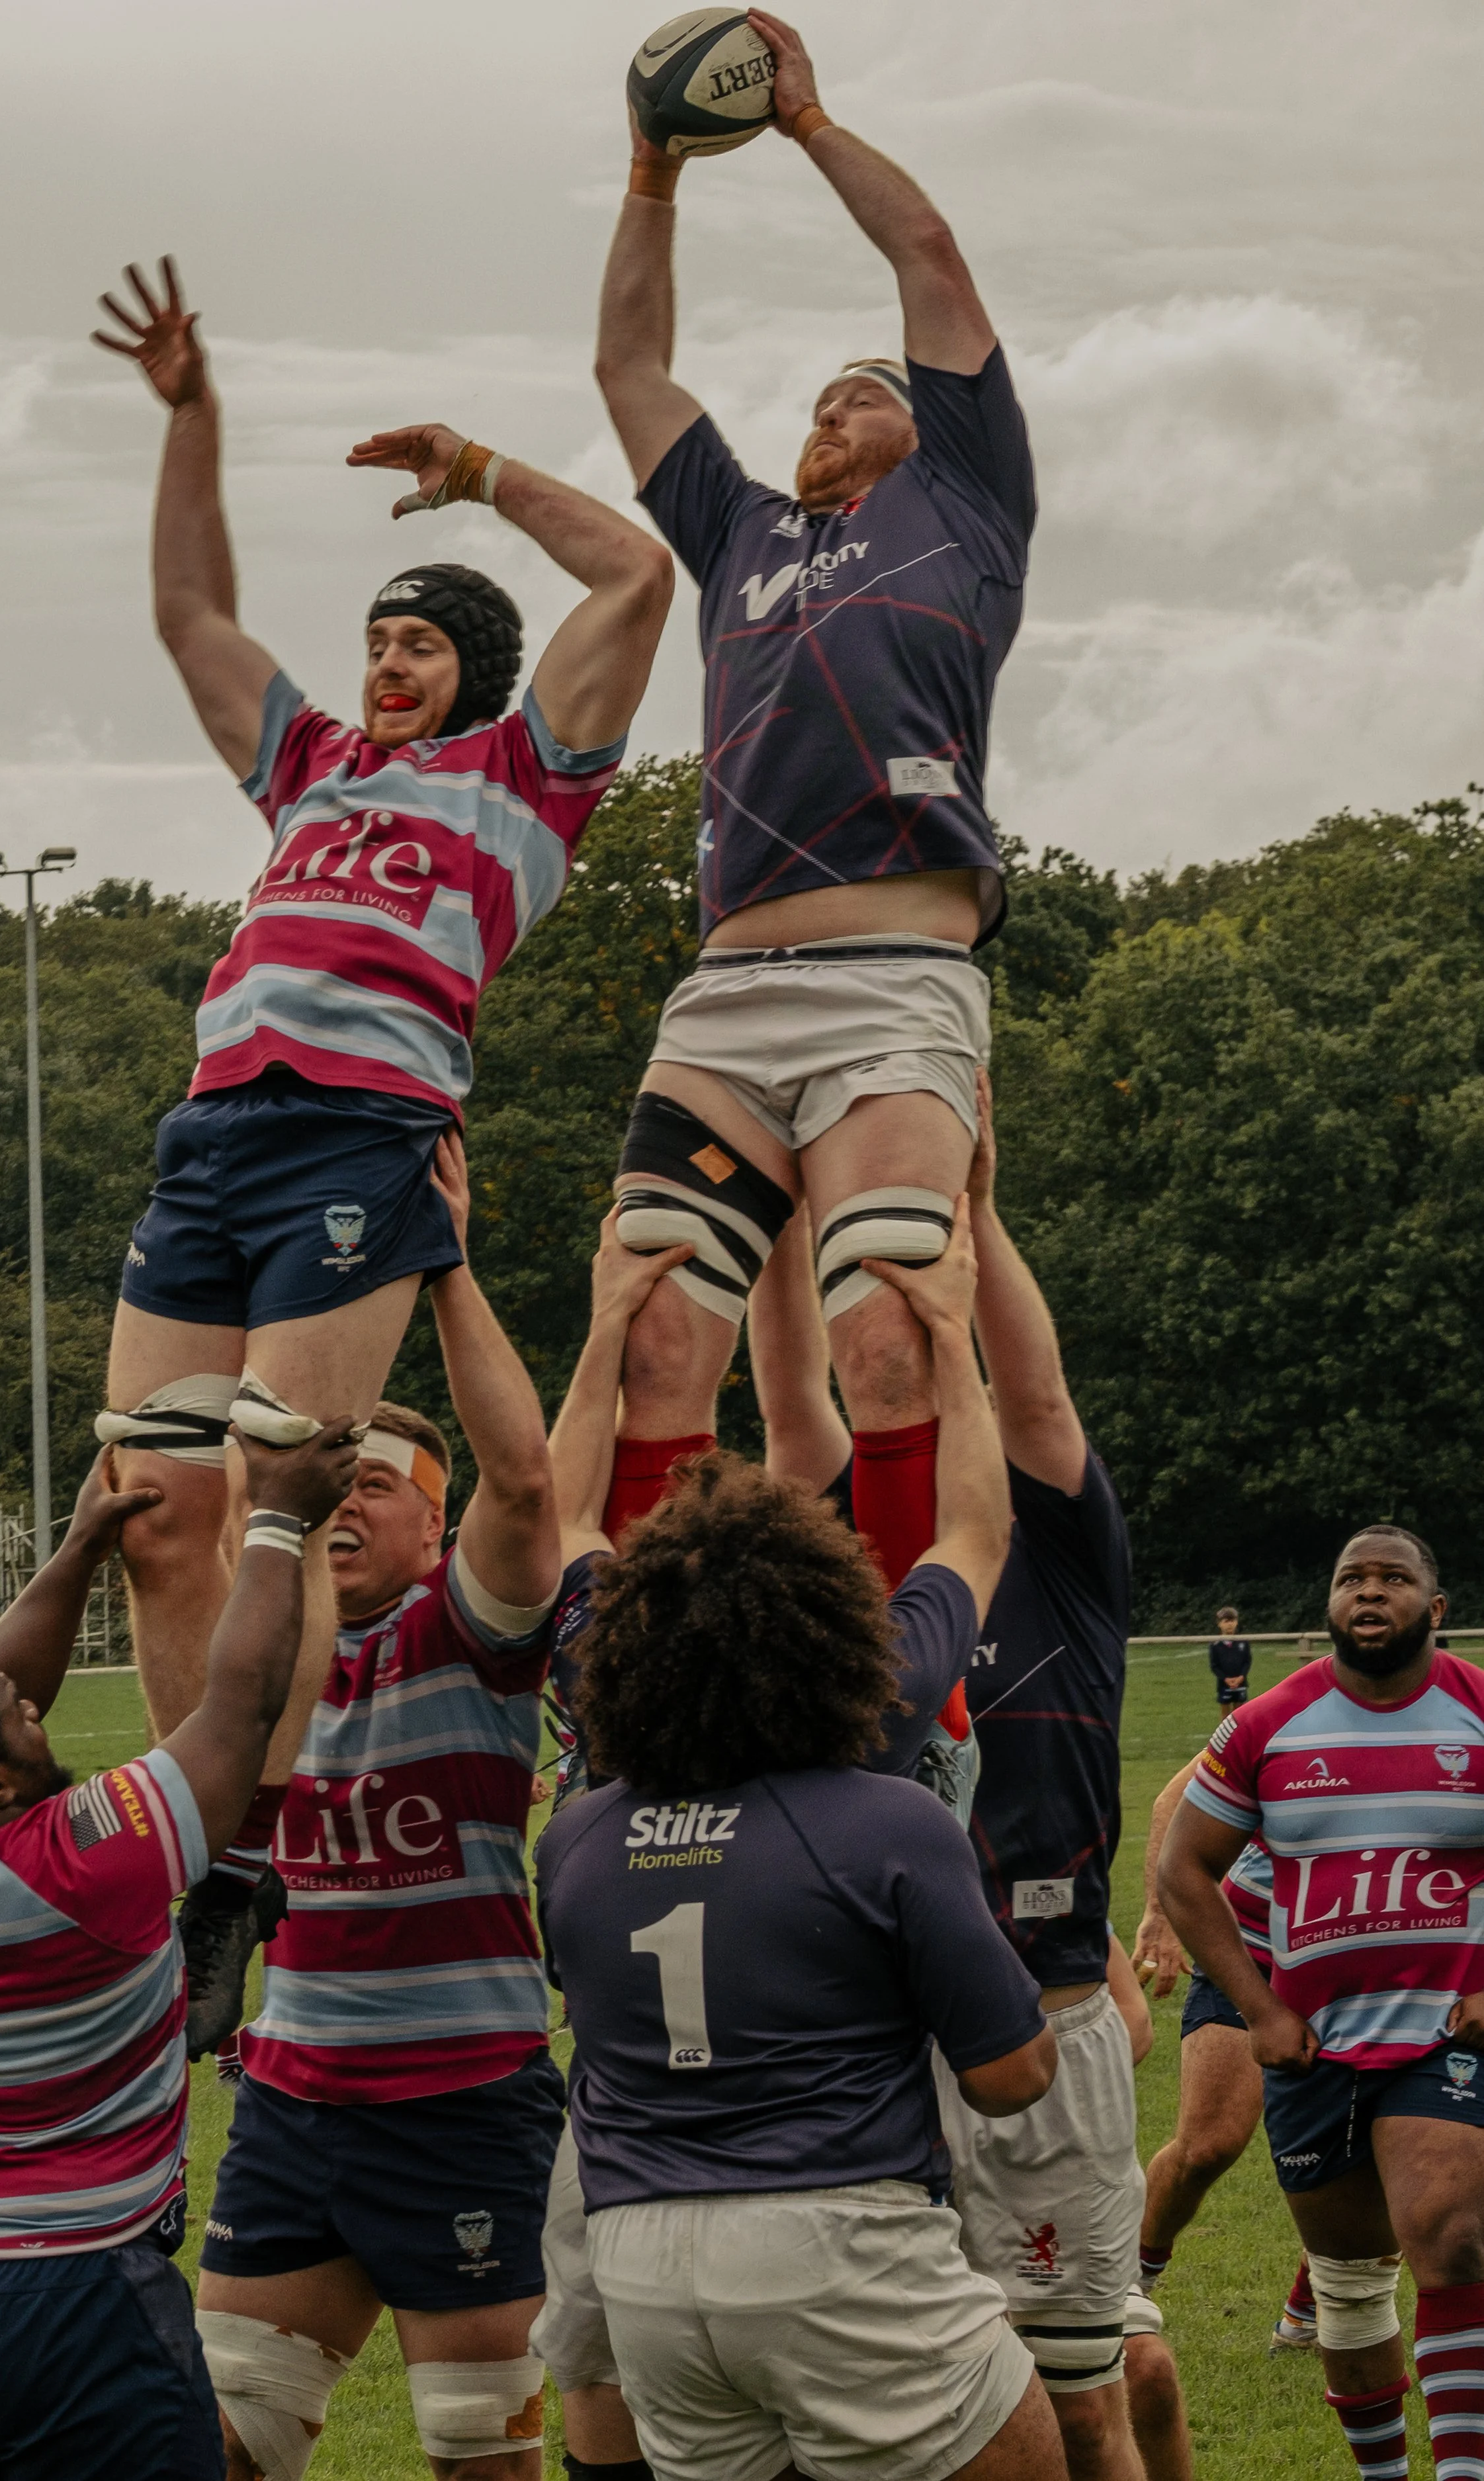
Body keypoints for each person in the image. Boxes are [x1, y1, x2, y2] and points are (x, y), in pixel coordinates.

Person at [87, 255, 673, 2049]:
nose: (382, 662)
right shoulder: (309, 768)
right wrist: (195, 418)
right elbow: (191, 613)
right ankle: (214, 1863)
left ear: (476, 671)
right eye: (374, 641)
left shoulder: (527, 779)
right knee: (149, 1510)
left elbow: (641, 572)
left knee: (280, 1489)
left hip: (362, 1139)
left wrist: (484, 466)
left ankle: (256, 1849)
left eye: (414, 639)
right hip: (213, 1137)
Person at [536, 1201, 1072, 2481]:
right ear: (830, 1626)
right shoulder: (881, 1792)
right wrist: (948, 1331)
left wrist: (607, 1322)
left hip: (646, 2267)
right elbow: (1011, 2078)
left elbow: (559, 1525)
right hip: (835, 2240)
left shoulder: (581, 1832)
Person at [591, 9, 1035, 1552]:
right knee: (651, 1335)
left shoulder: (963, 501)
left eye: (866, 390)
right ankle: (632, 1702)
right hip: (727, 992)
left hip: (897, 977)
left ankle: (921, 1701)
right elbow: (628, 365)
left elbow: (930, 261)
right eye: (821, 398)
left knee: (893, 1327)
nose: (833, 404)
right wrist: (653, 173)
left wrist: (804, 123)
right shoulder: (742, 532)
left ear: (930, 429)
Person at [738, 1071, 1183, 2481]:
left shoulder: (1056, 1555)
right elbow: (791, 1407)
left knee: (1072, 2403)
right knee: (869, 2412)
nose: (916, 1384)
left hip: (1045, 2019)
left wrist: (971, 1223)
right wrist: (782, 1227)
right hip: (861, 2045)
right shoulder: (833, 1570)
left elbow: (1033, 1393)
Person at [0, 1423, 357, 2481]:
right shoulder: (74, 1864)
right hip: (66, 2291)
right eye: (18, 1720)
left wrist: (76, 1550)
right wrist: (275, 1517)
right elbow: (243, 1706)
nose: (30, 1705)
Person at [193, 1137, 572, 2481]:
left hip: (461, 2104)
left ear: (434, 1527)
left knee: (480, 2457)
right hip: (291, 2111)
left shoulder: (462, 1637)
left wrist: (442, 1261)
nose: (344, 1497)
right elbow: (225, 1483)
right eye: (330, 1473)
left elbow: (528, 1483)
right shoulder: (254, 1663)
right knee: (228, 2448)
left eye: (378, 1483)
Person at [1160, 1525, 1484, 2481]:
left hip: (1442, 2034)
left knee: (1454, 2236)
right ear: (1329, 1606)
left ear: (1437, 1608)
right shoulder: (1269, 1723)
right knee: (1348, 2287)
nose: (1369, 1590)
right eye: (1352, 1578)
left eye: (1394, 1577)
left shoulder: (1478, 1712)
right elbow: (1185, 1868)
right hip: (1311, 2047)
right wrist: (1260, 2010)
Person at [1130, 1761, 1317, 2354]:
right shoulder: (1286, 1715)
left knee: (1386, 2141)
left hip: (1378, 1961)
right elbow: (1171, 1799)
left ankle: (1311, 2314)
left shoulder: (1462, 1719)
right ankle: (1129, 2284)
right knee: (1206, 2147)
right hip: (1249, 1952)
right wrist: (1160, 1915)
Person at [1208, 1610, 1253, 1711]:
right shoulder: (1215, 1644)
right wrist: (1225, 1679)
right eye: (1226, 1621)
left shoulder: (1243, 1642)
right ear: (1219, 1624)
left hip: (1241, 1683)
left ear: (1237, 1622)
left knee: (1239, 1713)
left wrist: (1241, 1677)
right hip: (1224, 1684)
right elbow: (1214, 1665)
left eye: (1232, 1621)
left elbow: (1247, 1661)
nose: (1230, 1624)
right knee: (1226, 1716)